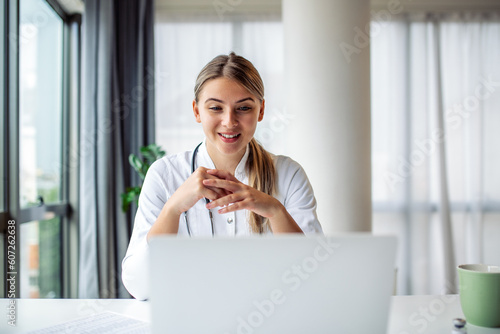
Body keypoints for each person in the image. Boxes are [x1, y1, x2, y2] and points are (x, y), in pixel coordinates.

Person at [122, 52, 323, 300]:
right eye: (216, 108)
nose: (229, 121)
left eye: (244, 108)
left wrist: (275, 211)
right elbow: (139, 287)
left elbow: (314, 279)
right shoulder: (164, 175)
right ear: (197, 111)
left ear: (261, 111)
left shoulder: (289, 174)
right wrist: (173, 209)